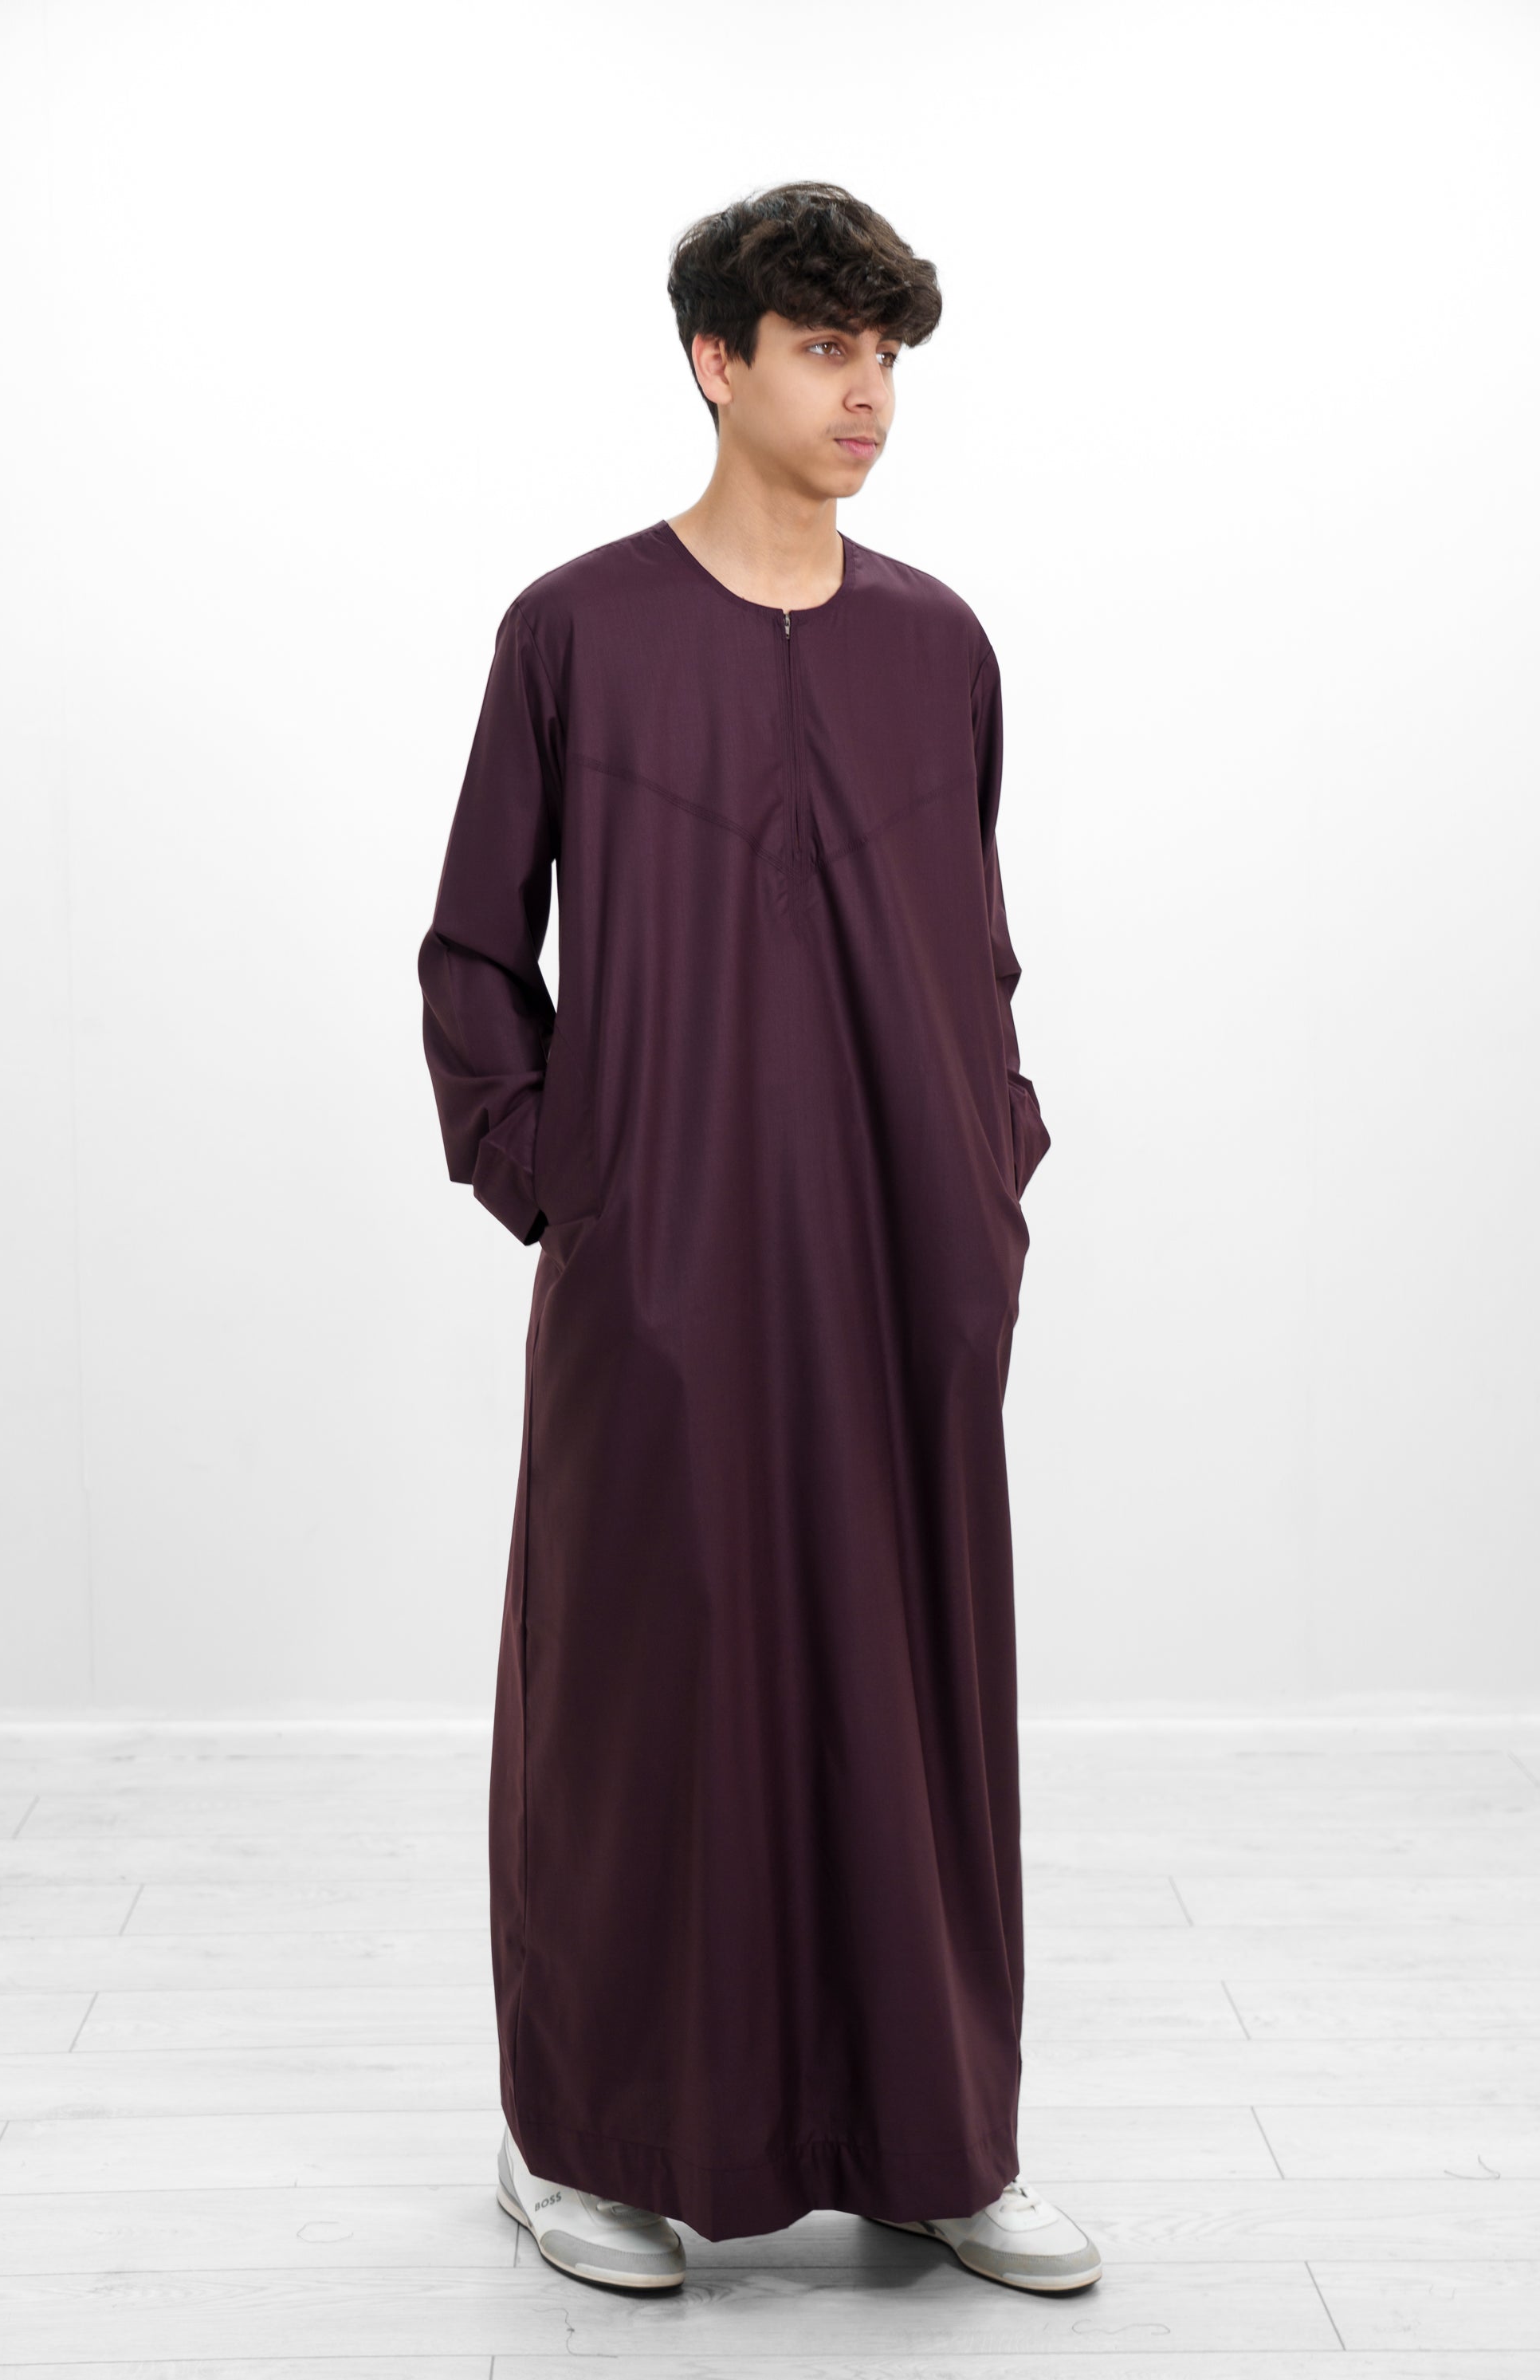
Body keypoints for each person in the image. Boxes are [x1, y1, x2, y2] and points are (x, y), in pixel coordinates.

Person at [418, 180, 1100, 2297]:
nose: (866, 392)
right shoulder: (575, 631)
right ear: (716, 362)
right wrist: (572, 1180)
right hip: (664, 1264)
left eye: (885, 353)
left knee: (913, 1682)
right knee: (646, 1686)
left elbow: (976, 948)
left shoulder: (939, 645)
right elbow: (472, 952)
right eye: (823, 347)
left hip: (906, 1263)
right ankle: (584, 2139)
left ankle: (935, 2136)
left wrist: (988, 1167)